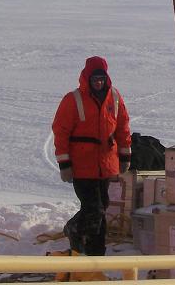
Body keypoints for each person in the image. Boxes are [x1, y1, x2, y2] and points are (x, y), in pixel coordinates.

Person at [52, 56, 132, 256]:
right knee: (94, 208)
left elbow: (122, 127)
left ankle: (96, 252)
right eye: (95, 78)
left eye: (101, 78)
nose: (98, 82)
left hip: (105, 164)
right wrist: (64, 164)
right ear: (87, 78)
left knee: (101, 207)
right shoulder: (73, 99)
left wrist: (124, 156)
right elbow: (60, 131)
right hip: (82, 165)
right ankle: (77, 233)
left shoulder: (114, 97)